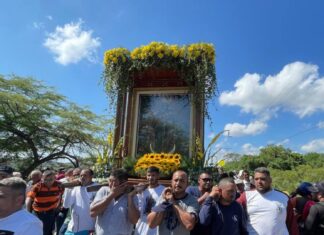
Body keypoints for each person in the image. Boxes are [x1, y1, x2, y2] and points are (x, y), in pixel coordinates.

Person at [237, 167, 297, 235]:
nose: (259, 182)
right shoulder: (246, 196)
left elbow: (292, 224)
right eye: (256, 179)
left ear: (270, 180)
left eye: (263, 179)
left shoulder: (284, 197)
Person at [147, 170, 199, 235]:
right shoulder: (163, 197)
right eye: (176, 180)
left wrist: (173, 203)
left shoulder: (192, 200)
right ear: (171, 182)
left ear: (187, 184)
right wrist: (164, 202)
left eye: (182, 181)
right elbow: (151, 224)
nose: (178, 183)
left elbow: (189, 225)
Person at [90, 168, 140, 235]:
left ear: (123, 183)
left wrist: (130, 197)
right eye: (110, 181)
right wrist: (112, 195)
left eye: (114, 181)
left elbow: (134, 220)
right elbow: (92, 213)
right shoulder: (104, 191)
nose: (110, 184)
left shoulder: (132, 196)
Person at [26, 170, 64, 235]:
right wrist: (28, 213)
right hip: (37, 213)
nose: (48, 182)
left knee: (48, 231)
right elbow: (29, 199)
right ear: (42, 178)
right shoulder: (38, 186)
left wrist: (59, 205)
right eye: (45, 179)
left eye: (51, 179)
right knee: (36, 231)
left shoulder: (59, 185)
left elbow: (60, 195)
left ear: (55, 178)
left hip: (50, 212)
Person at [63, 168, 98, 235]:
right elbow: (66, 205)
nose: (82, 177)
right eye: (81, 175)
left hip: (88, 228)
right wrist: (69, 189)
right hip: (72, 228)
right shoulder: (76, 187)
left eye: (85, 175)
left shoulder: (97, 187)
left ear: (91, 177)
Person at [135, 166, 165, 235]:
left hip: (155, 229)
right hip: (141, 228)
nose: (150, 178)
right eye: (149, 175)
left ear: (158, 176)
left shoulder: (163, 190)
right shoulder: (142, 190)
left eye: (153, 175)